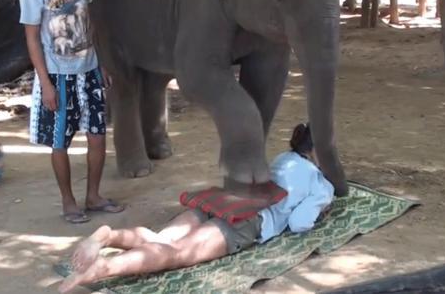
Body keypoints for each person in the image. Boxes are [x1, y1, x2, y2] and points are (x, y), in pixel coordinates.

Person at [59, 123, 334, 293]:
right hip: (248, 219)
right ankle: (104, 268)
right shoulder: (321, 184)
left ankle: (108, 236)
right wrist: (322, 209)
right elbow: (299, 223)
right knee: (177, 253)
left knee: (162, 239)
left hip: (224, 200)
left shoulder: (283, 157)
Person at [19, 0, 123, 224]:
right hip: (56, 75)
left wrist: (100, 61)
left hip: (88, 68)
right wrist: (45, 84)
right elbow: (32, 38)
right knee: (60, 141)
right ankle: (68, 201)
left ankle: (94, 196)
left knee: (97, 135)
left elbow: (88, 19)